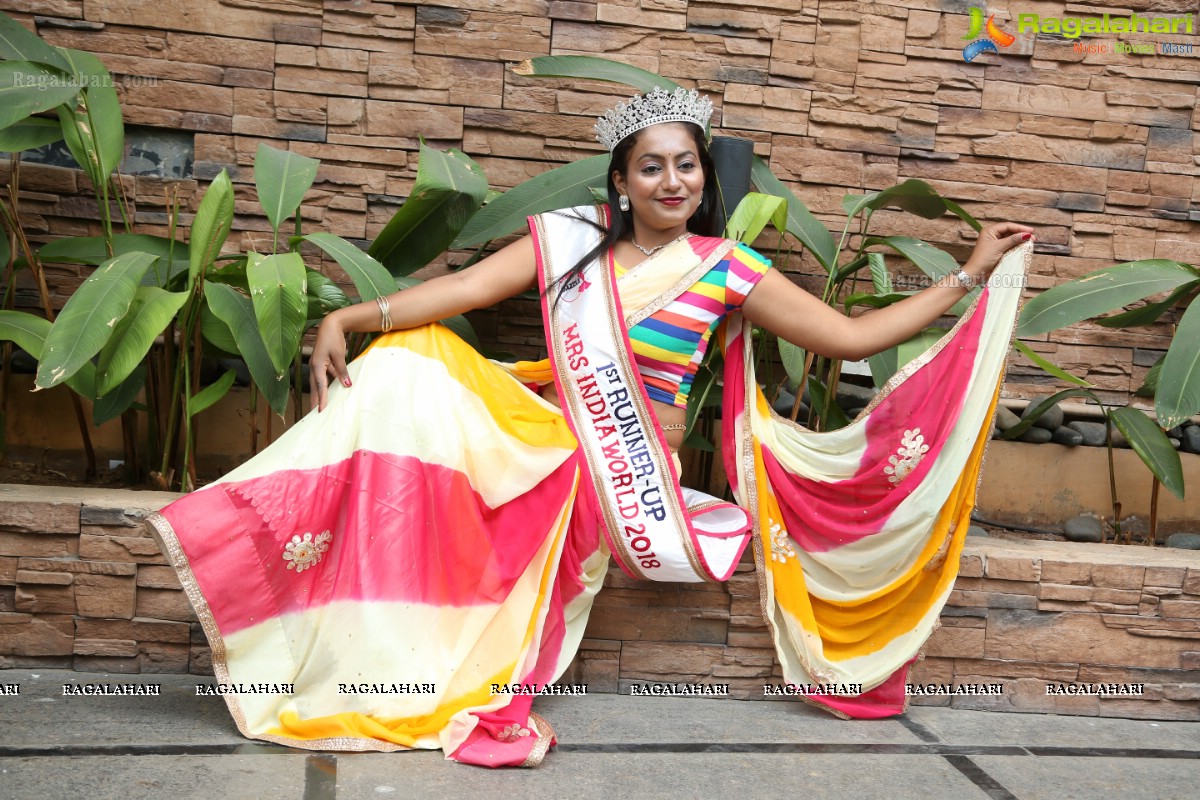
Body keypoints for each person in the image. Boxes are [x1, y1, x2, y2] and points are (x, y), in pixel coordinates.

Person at [150, 87, 1034, 767]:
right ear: (621, 181)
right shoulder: (567, 241)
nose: (671, 182)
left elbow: (848, 337)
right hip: (546, 436)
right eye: (651, 167)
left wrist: (966, 275)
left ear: (705, 178)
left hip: (620, 471)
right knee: (407, 363)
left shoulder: (727, 269)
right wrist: (352, 318)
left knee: (549, 493)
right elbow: (457, 296)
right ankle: (265, 566)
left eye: (687, 166)